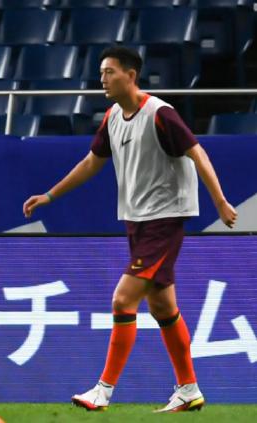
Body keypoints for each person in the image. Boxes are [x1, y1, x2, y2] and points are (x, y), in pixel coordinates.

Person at [22, 46, 237, 413]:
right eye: (101, 73)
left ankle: (103, 390)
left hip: (165, 219)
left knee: (123, 300)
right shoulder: (112, 117)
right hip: (137, 221)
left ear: (131, 75)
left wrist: (219, 200)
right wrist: (50, 195)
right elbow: (91, 162)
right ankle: (188, 389)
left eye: (109, 72)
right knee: (162, 305)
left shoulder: (160, 114)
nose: (102, 79)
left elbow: (197, 153)